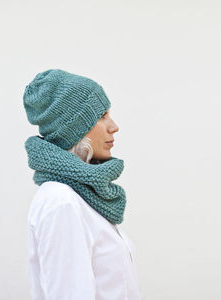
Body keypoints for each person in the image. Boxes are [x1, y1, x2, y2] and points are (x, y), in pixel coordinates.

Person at [22, 69, 142, 300]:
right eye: (102, 116)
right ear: (74, 127)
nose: (114, 126)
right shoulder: (62, 202)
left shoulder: (82, 196)